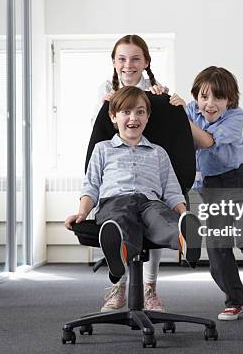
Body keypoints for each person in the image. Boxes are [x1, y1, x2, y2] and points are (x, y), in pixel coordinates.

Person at [66, 86, 202, 312]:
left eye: (140, 112)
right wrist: (82, 213)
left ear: (148, 117)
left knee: (160, 218)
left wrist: (182, 213)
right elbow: (91, 186)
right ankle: (119, 252)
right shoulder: (103, 149)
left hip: (150, 202)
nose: (133, 118)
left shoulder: (158, 152)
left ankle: (183, 239)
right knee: (120, 220)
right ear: (113, 117)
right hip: (115, 201)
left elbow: (171, 189)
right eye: (126, 112)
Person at [170, 66, 243, 321]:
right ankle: (235, 301)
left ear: (229, 101)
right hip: (213, 186)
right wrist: (166, 97)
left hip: (241, 179)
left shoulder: (235, 116)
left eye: (218, 98)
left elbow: (207, 141)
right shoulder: (189, 110)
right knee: (217, 248)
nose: (209, 104)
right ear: (195, 97)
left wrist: (183, 118)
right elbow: (170, 117)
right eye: (203, 97)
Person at [92, 35, 169, 313]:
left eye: (136, 58)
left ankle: (150, 288)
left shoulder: (158, 91)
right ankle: (119, 286)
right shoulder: (105, 91)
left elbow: (173, 137)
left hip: (149, 173)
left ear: (146, 62)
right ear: (114, 62)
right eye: (122, 59)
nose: (128, 65)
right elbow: (97, 136)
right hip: (117, 176)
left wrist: (175, 103)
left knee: (155, 216)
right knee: (117, 220)